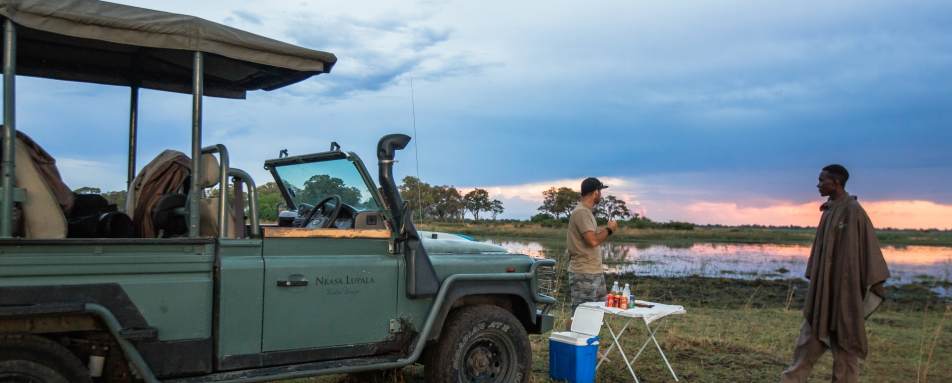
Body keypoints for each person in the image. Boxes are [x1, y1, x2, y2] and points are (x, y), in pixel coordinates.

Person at [780, 164, 890, 383]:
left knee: (846, 343)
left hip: (845, 292)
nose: (818, 184)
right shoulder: (829, 210)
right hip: (824, 292)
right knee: (808, 341)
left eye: (822, 180)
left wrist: (874, 284)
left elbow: (867, 248)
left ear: (836, 182)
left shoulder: (853, 211)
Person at [566, 177, 619, 313]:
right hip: (584, 273)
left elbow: (592, 239)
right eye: (600, 191)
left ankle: (589, 335)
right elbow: (593, 241)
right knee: (580, 315)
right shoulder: (582, 212)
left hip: (594, 271)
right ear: (596, 192)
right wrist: (609, 229)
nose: (601, 195)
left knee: (596, 313)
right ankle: (571, 334)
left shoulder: (586, 212)